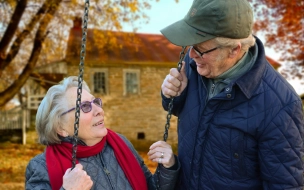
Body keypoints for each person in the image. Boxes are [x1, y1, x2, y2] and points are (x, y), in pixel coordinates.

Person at [160, 0, 304, 189]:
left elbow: (285, 184)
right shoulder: (196, 65)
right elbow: (183, 112)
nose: (192, 55)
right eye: (190, 45)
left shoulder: (280, 104)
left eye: (201, 49)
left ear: (234, 50)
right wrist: (173, 95)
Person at [25, 76, 180, 190]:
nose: (99, 110)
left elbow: (151, 188)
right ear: (61, 128)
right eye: (85, 107)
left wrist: (168, 167)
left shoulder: (120, 144)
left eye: (96, 102)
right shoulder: (41, 167)